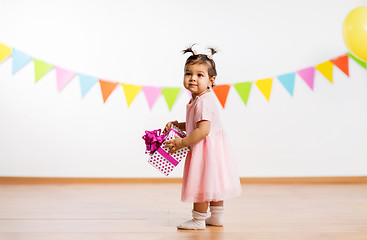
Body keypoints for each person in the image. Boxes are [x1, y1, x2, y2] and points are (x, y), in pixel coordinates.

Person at [164, 44, 242, 230]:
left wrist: (182, 142)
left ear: (211, 80)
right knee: (213, 182)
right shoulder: (198, 99)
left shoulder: (203, 101)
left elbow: (203, 130)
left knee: (202, 183)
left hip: (205, 149)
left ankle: (198, 220)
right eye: (188, 73)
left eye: (200, 75)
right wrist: (178, 125)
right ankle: (217, 216)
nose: (192, 78)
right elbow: (196, 124)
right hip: (214, 149)